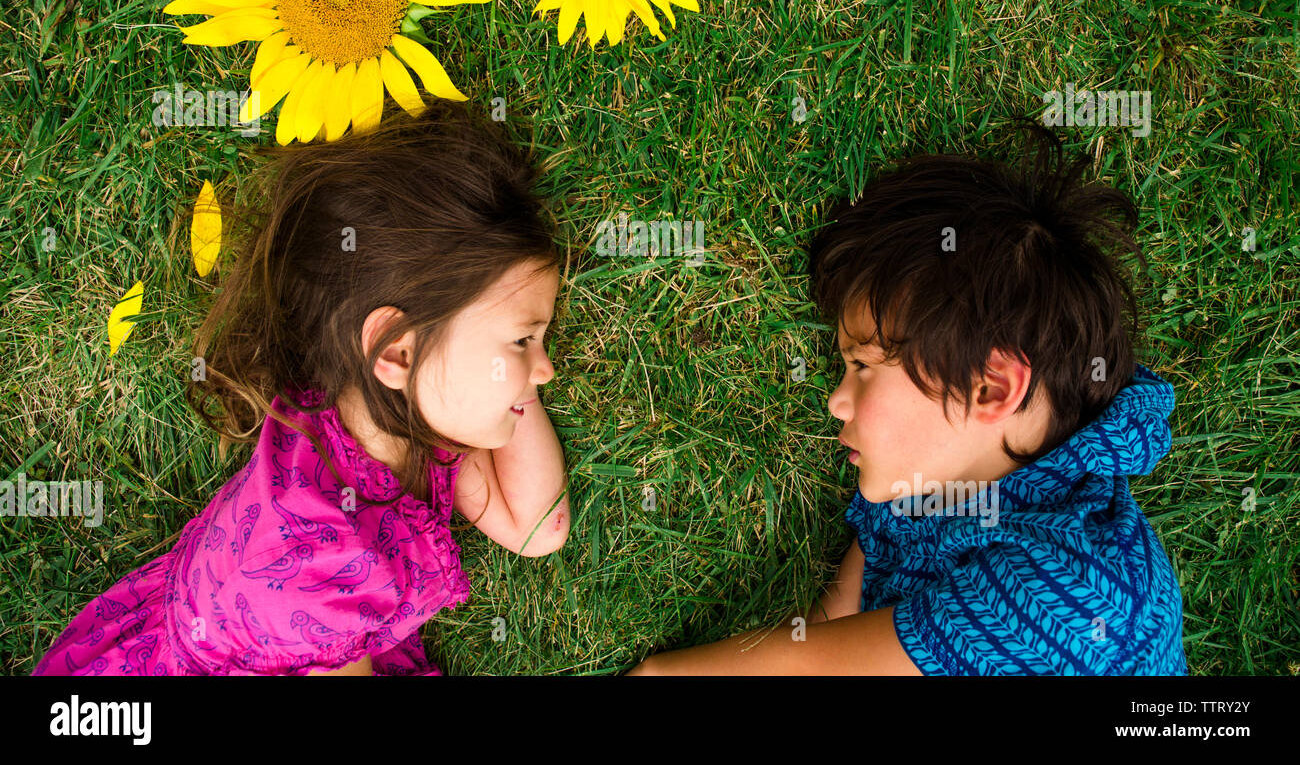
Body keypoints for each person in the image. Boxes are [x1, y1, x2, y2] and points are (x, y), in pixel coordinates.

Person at [33, 100, 569, 675]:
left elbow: (535, 525)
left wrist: (512, 375)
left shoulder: (392, 404)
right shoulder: (323, 565)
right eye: (522, 340)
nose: (548, 369)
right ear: (397, 351)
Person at [629, 123, 1188, 675]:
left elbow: (812, 665)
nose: (836, 402)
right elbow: (831, 626)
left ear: (989, 388)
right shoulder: (933, 474)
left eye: (862, 368)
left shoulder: (1080, 593)